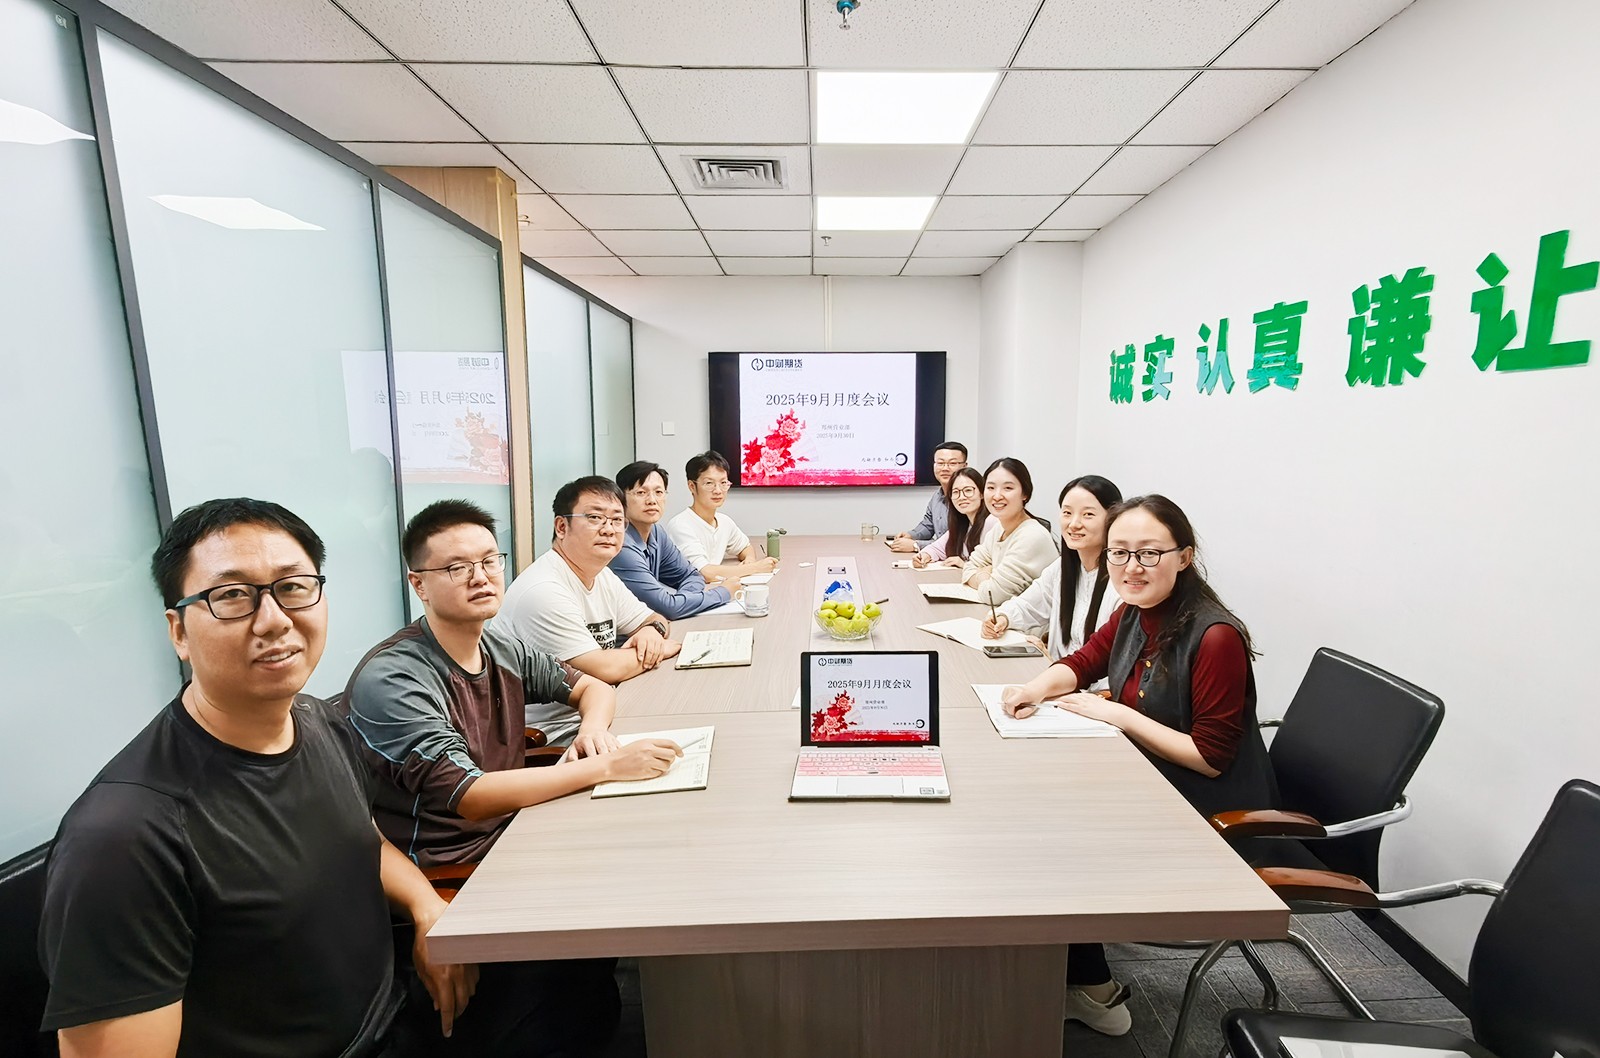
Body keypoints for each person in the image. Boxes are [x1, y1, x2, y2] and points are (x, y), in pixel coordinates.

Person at [38, 498, 472, 1058]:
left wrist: (424, 903)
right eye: (232, 596)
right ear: (178, 631)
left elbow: (359, 838)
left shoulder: (318, 722)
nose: (274, 619)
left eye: (292, 587)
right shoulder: (124, 838)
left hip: (397, 1019)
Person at [344, 500, 684, 1055]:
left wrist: (592, 731)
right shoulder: (396, 676)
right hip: (445, 867)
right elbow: (471, 797)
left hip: (510, 834)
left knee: (645, 852)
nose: (480, 576)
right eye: (457, 567)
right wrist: (605, 765)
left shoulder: (496, 644)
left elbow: (593, 687)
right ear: (418, 584)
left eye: (489, 560)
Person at [1001, 494, 1278, 1037]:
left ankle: (1092, 990)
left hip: (1214, 814)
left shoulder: (1215, 637)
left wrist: (1117, 715)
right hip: (1153, 781)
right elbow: (1085, 661)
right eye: (1119, 552)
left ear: (1184, 557)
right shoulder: (1134, 611)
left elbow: (1210, 758)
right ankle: (1049, 965)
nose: (1132, 566)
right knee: (1034, 799)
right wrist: (1033, 688)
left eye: (1149, 553)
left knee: (1051, 834)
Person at [500, 476, 681, 686]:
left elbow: (653, 618)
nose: (609, 529)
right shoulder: (543, 590)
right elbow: (603, 669)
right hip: (554, 709)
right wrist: (661, 649)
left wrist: (651, 632)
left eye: (617, 520)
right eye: (595, 517)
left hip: (597, 698)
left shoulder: (602, 575)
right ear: (561, 527)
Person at [982, 475, 1125, 662]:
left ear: (1113, 519)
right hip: (1057, 673)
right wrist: (1003, 617)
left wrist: (1052, 661)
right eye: (1067, 513)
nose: (1074, 524)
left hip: (1075, 678)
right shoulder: (1062, 568)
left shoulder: (1122, 581)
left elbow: (1114, 668)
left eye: (1088, 514)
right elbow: (1028, 605)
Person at [610, 460, 736, 618]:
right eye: (641, 493)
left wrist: (682, 602)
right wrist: (724, 592)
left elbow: (692, 575)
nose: (652, 500)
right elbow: (669, 608)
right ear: (620, 499)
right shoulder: (619, 544)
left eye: (659, 492)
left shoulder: (656, 533)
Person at [666, 450, 779, 582]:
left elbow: (745, 547)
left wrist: (749, 560)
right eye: (709, 483)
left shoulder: (724, 521)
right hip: (689, 591)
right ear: (692, 486)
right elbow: (704, 573)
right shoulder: (681, 525)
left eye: (723, 483)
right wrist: (755, 568)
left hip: (714, 588)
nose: (718, 490)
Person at [960, 457, 1058, 604]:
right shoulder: (999, 529)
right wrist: (985, 577)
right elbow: (968, 567)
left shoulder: (1032, 535)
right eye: (991, 488)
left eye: (1008, 488)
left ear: (1025, 494)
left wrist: (982, 575)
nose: (997, 496)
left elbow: (993, 594)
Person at [888, 441, 968, 552]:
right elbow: (928, 526)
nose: (945, 468)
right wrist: (910, 535)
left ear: (964, 466)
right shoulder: (937, 496)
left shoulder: (967, 498)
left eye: (952, 463)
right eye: (940, 463)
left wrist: (916, 545)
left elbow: (958, 541)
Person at [911, 466, 991, 568]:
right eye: (956, 492)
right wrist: (923, 556)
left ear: (982, 494)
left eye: (968, 490)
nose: (961, 497)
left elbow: (998, 567)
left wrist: (964, 565)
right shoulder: (962, 525)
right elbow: (936, 549)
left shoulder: (991, 523)